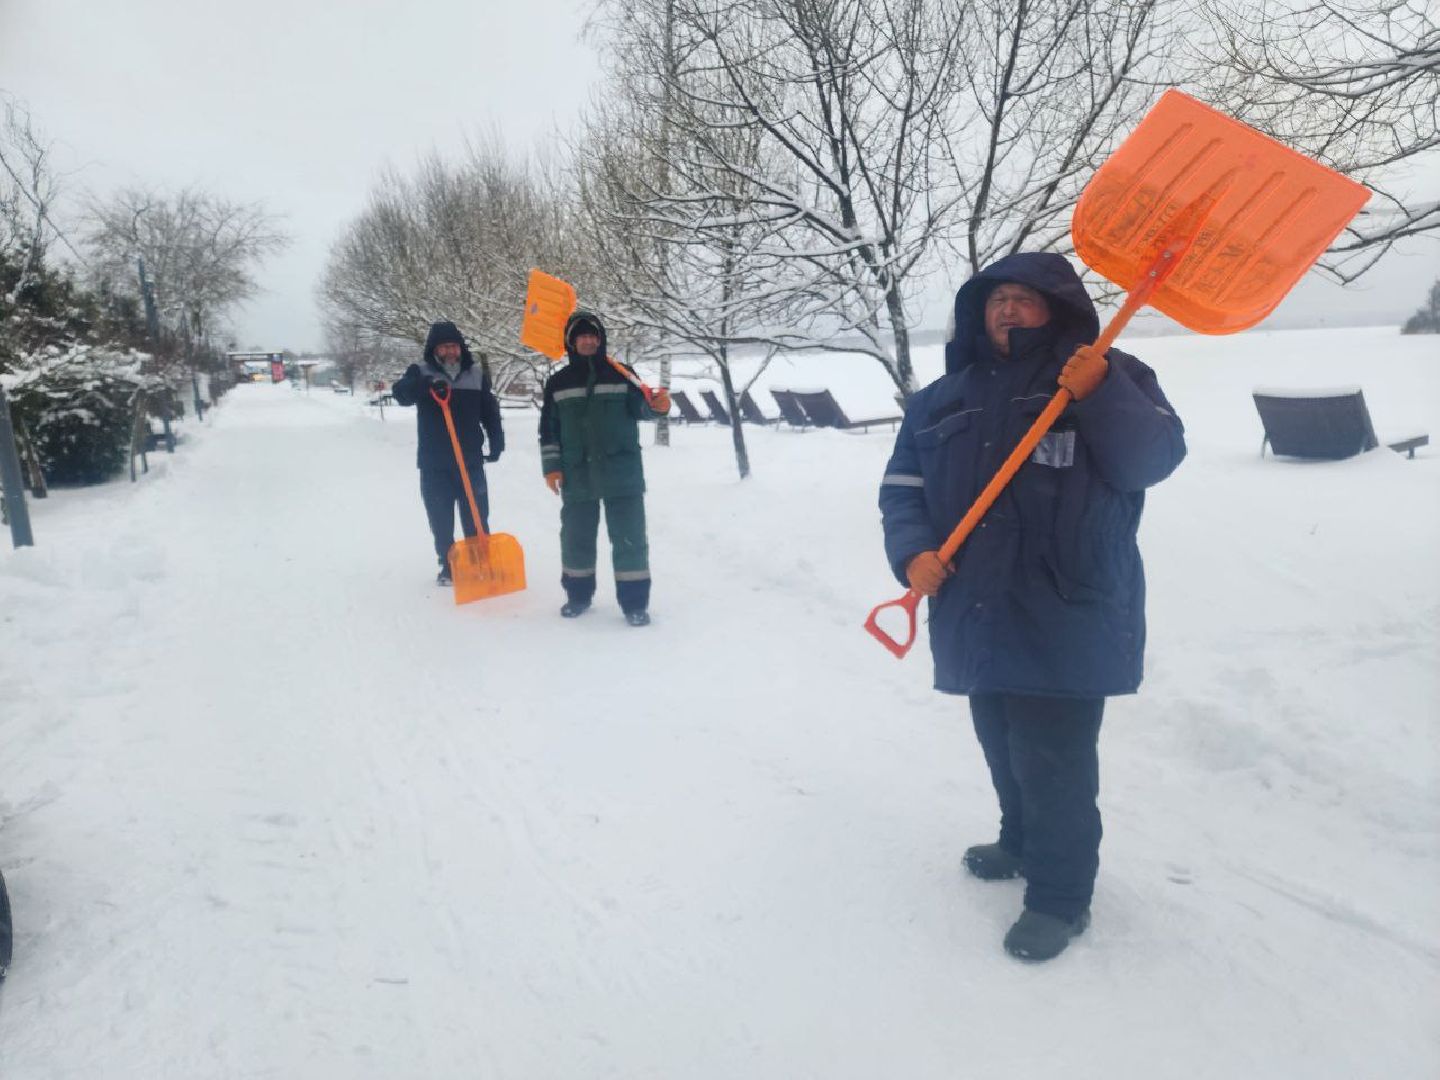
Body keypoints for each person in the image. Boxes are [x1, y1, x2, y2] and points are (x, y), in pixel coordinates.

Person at [878, 252, 1186, 962]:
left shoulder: (1110, 372)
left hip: (1066, 604)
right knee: (1001, 743)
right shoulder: (942, 397)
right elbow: (902, 487)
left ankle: (1059, 898)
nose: (1008, 310)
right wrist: (913, 552)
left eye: (1024, 298)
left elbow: (1153, 462)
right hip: (976, 605)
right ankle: (1019, 840)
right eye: (996, 300)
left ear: (1059, 308)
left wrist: (1102, 391)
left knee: (1054, 761)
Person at [539, 310, 671, 626]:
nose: (588, 340)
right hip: (576, 471)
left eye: (593, 336)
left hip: (621, 471)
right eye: (582, 336)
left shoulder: (623, 374)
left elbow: (642, 408)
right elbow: (549, 428)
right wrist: (552, 466)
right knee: (576, 537)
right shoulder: (558, 382)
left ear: (601, 340)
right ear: (571, 341)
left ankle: (635, 604)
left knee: (629, 539)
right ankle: (578, 596)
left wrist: (658, 407)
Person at [392, 321, 504, 585]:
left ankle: (480, 561)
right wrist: (424, 385)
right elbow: (400, 394)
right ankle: (449, 564)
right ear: (435, 349)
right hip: (434, 463)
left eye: (453, 346)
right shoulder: (419, 371)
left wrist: (496, 439)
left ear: (460, 347)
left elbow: (489, 410)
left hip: (470, 460)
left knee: (476, 514)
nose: (450, 352)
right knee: (441, 517)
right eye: (444, 347)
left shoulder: (476, 374)